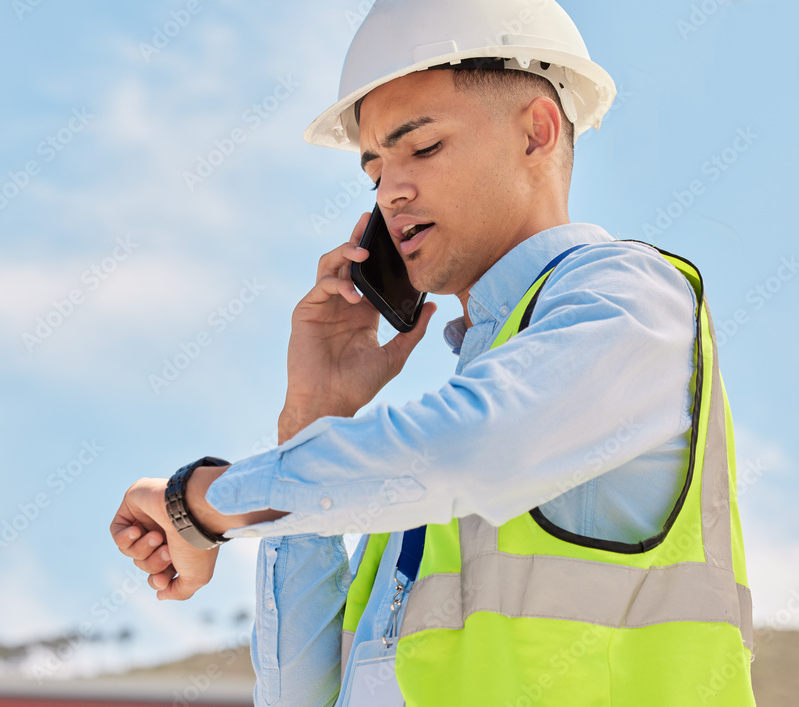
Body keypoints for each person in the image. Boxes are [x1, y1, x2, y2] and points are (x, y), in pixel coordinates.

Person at [111, 1, 756, 704]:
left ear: (536, 132)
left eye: (421, 148)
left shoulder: (628, 297)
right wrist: (312, 415)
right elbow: (299, 694)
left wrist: (204, 503)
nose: (393, 191)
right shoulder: (414, 480)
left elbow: (475, 448)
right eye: (374, 169)